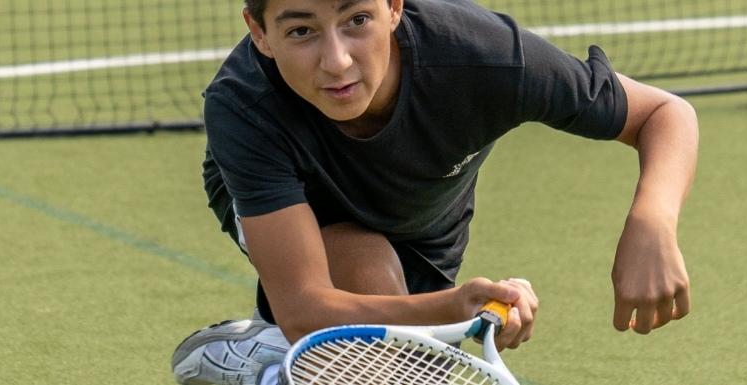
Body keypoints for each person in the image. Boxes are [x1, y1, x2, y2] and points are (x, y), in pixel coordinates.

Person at [172, 0, 698, 383]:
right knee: (370, 295)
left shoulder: (480, 56)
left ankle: (273, 367)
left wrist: (651, 222)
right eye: (302, 31)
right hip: (306, 210)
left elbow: (663, 112)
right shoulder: (245, 106)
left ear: (395, 6)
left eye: (357, 20)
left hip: (424, 221)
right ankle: (272, 368)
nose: (336, 61)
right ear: (259, 33)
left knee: (392, 350)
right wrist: (455, 306)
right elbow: (305, 306)